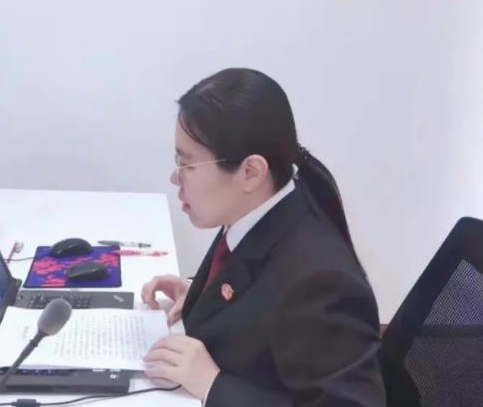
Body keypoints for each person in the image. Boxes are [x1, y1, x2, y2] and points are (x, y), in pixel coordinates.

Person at [141, 68, 386, 406]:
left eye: (189, 166)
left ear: (250, 172)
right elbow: (257, 302)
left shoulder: (320, 283)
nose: (175, 177)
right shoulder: (255, 213)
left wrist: (213, 385)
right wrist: (200, 298)